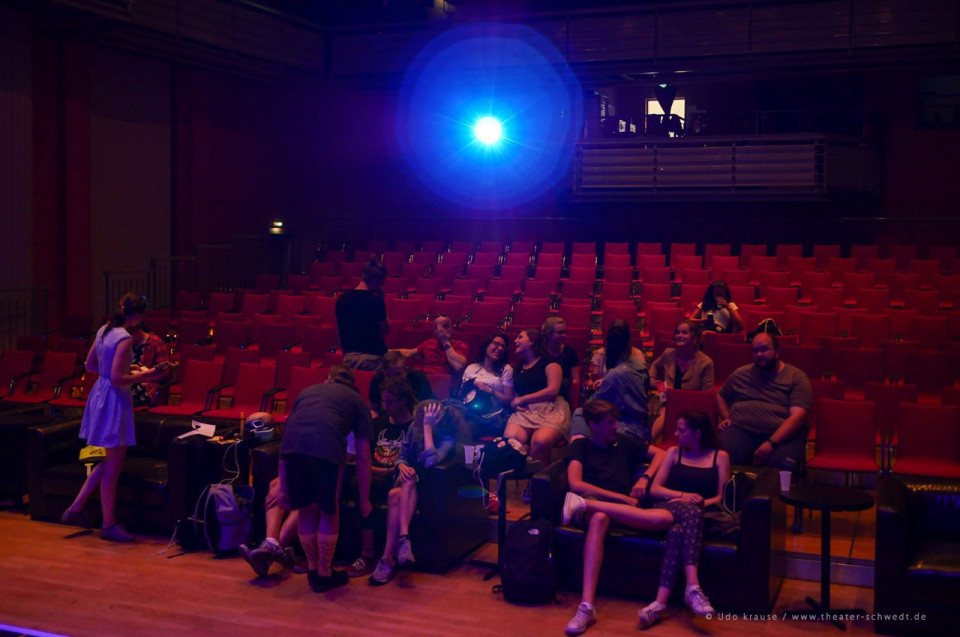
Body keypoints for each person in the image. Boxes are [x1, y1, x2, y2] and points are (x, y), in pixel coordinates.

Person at [560, 400, 671, 636]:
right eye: (610, 423)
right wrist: (620, 498)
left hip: (615, 509)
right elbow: (575, 484)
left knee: (662, 519)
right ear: (594, 425)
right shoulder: (581, 446)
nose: (615, 427)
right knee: (599, 518)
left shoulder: (623, 443)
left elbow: (662, 454)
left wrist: (645, 478)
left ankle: (583, 505)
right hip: (597, 508)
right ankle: (586, 606)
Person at [59, 293, 163, 542]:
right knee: (113, 465)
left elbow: (90, 366)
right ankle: (108, 524)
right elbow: (118, 379)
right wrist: (144, 375)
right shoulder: (125, 338)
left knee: (109, 459)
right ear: (139, 316)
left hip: (100, 393)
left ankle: (75, 508)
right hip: (115, 398)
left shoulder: (104, 330)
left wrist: (121, 370)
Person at [279, 365, 373, 592]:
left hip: (292, 448)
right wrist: (364, 499)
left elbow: (286, 437)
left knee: (305, 509)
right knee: (329, 510)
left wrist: (283, 487)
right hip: (326, 448)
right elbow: (363, 456)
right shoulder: (357, 401)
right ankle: (324, 573)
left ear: (327, 379)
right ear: (352, 384)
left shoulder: (307, 391)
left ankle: (312, 570)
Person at [637, 410, 731, 628]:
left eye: (681, 430)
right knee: (689, 513)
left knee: (678, 532)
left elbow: (722, 496)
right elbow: (655, 490)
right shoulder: (673, 453)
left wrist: (700, 503)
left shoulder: (720, 457)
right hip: (668, 507)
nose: (675, 434)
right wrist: (682, 496)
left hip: (701, 513)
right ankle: (693, 586)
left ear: (697, 433)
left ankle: (659, 604)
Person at [368, 399, 463, 586]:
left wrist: (427, 429)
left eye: (421, 422)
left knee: (394, 495)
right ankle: (404, 539)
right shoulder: (413, 428)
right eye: (418, 422)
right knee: (409, 477)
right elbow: (402, 455)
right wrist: (401, 466)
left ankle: (387, 559)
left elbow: (430, 462)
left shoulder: (447, 439)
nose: (416, 425)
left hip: (428, 487)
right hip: (409, 478)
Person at [344, 377, 419, 579]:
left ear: (404, 401)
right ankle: (366, 552)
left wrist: (387, 471)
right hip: (374, 475)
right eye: (384, 401)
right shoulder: (377, 424)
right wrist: (374, 470)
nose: (385, 406)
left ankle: (374, 554)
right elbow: (363, 457)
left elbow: (413, 464)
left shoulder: (413, 427)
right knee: (357, 482)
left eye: (390, 402)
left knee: (373, 486)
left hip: (396, 479)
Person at [717, 332, 812, 470]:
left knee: (781, 466)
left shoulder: (796, 377)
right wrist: (726, 417)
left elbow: (798, 417)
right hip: (741, 430)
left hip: (783, 436)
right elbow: (721, 395)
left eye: (764, 349)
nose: (759, 354)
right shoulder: (741, 374)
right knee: (720, 454)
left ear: (777, 352)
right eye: (755, 351)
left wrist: (771, 443)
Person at [238, 412, 301, 577]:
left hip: (332, 476)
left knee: (305, 500)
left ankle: (271, 553)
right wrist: (284, 479)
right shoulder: (303, 426)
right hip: (306, 472)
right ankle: (271, 544)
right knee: (276, 485)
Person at [570, 319, 650, 443]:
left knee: (580, 413)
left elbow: (593, 406)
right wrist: (606, 383)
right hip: (640, 425)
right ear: (629, 343)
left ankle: (579, 453)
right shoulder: (637, 364)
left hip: (628, 429)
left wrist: (606, 384)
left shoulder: (615, 375)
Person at [503, 328, 571, 468]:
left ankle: (537, 478)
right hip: (526, 411)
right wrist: (515, 403)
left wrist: (523, 399)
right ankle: (517, 476)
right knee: (511, 439)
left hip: (550, 409)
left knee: (540, 441)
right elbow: (517, 392)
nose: (515, 341)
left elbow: (553, 390)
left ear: (532, 341)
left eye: (520, 337)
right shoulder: (519, 366)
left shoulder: (550, 362)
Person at [648, 320, 715, 442]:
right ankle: (646, 444)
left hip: (692, 404)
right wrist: (656, 383)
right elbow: (654, 366)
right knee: (665, 413)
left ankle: (647, 443)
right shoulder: (668, 354)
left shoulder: (706, 362)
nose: (679, 335)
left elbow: (707, 394)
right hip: (667, 399)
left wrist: (682, 397)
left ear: (694, 338)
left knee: (669, 415)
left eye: (684, 332)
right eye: (677, 332)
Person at [336, 256, 390, 371]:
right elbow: (386, 329)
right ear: (375, 281)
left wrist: (345, 354)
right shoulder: (375, 301)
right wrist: (381, 301)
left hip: (349, 357)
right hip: (374, 358)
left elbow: (339, 331)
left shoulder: (342, 299)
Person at [455, 332, 514, 435]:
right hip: (469, 408)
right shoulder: (472, 368)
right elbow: (461, 394)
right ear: (486, 345)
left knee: (465, 424)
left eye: (503, 347)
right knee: (449, 409)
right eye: (496, 344)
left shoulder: (506, 369)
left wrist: (489, 390)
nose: (500, 348)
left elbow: (508, 399)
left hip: (492, 414)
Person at [396, 315, 469, 376]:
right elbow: (409, 353)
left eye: (445, 326)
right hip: (426, 379)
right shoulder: (429, 343)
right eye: (438, 328)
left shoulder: (460, 345)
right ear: (434, 332)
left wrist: (445, 342)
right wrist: (389, 351)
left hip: (445, 382)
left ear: (451, 329)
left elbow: (458, 366)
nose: (442, 331)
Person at [368, 350, 434, 415]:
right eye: (389, 375)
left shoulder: (418, 379)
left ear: (406, 370)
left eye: (397, 374)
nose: (394, 379)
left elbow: (429, 408)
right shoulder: (377, 380)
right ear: (383, 373)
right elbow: (374, 410)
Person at [129, 321, 172, 407]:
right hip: (130, 380)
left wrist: (141, 377)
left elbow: (164, 373)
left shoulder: (156, 342)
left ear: (136, 331)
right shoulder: (127, 344)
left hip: (149, 384)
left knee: (126, 391)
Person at [543, 316, 580, 400]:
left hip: (563, 395)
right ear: (548, 334)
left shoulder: (569, 352)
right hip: (542, 393)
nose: (564, 335)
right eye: (559, 332)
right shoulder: (540, 352)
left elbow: (575, 380)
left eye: (565, 332)